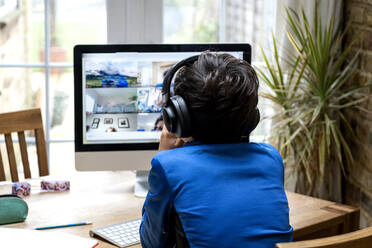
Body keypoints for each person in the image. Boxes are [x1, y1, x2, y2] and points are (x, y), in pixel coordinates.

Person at [140, 52, 293, 248]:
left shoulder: (169, 165)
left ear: (177, 116)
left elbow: (151, 243)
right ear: (252, 118)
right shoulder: (271, 158)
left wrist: (164, 154)